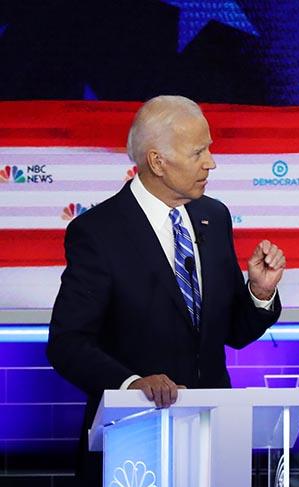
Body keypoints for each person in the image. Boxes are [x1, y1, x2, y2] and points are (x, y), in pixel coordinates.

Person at [47, 95, 285, 445]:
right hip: (134, 439)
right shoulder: (99, 232)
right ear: (157, 162)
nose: (211, 163)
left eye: (209, 149)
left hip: (212, 437)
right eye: (197, 153)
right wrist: (131, 385)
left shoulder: (214, 218)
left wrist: (259, 293)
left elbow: (232, 332)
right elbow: (67, 344)